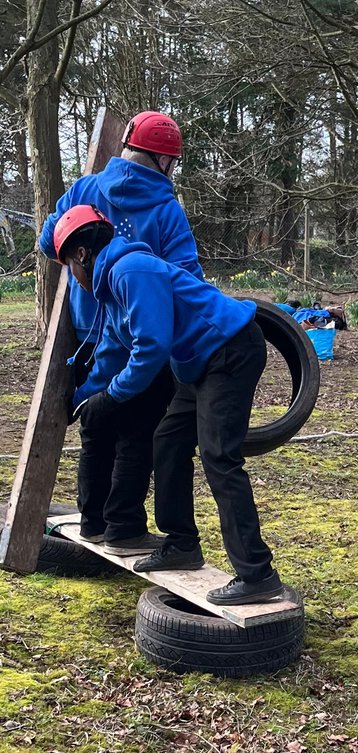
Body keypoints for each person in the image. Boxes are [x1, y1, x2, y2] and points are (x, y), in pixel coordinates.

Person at [52, 204, 285, 606]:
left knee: (219, 457)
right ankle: (181, 544)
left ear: (81, 255)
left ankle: (257, 574)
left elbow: (150, 349)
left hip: (229, 350)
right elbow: (112, 351)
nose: (72, 277)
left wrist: (111, 398)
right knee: (168, 440)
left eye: (67, 266)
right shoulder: (112, 286)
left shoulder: (131, 271)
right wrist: (81, 399)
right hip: (198, 363)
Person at [38, 111, 202, 554]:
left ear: (128, 146)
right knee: (138, 427)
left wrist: (81, 267)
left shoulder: (86, 189)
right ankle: (124, 528)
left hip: (87, 332)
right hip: (137, 335)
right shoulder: (167, 210)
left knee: (96, 420)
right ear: (165, 160)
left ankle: (93, 521)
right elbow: (186, 277)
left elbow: (46, 239)